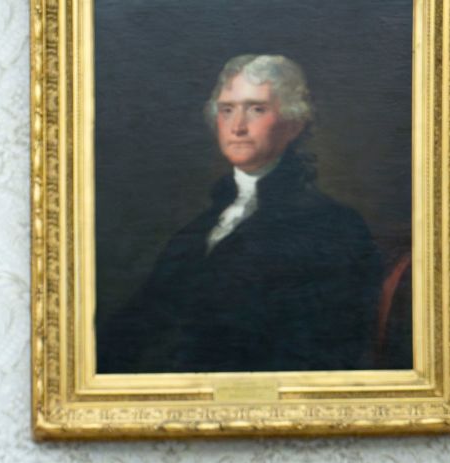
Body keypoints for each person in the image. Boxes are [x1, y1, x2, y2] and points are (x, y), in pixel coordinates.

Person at [97, 54, 386, 374]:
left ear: (293, 123)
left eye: (257, 109)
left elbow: (324, 352)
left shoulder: (334, 226)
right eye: (227, 110)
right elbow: (138, 323)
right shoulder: (201, 227)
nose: (237, 126)